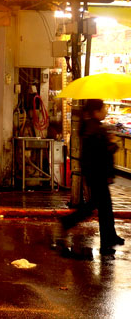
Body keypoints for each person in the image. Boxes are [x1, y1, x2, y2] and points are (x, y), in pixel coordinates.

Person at [60, 99, 124, 255]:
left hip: (96, 174)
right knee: (97, 206)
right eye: (104, 108)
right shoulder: (95, 130)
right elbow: (101, 154)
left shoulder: (93, 127)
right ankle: (71, 222)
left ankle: (110, 236)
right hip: (98, 175)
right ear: (96, 111)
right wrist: (112, 145)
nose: (106, 111)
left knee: (105, 206)